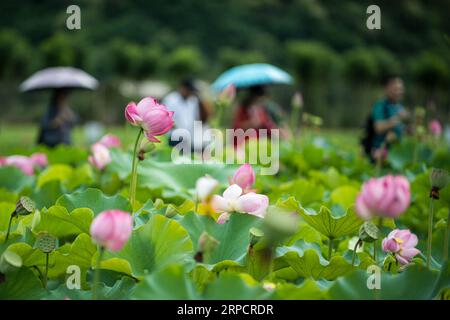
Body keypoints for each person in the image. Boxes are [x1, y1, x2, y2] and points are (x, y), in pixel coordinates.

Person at [361, 75, 410, 162]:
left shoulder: (399, 106)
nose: (399, 92)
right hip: (380, 153)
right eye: (395, 89)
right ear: (385, 88)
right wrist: (399, 118)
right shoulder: (380, 105)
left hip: (397, 154)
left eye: (400, 89)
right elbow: (379, 127)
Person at [163, 78, 210, 150]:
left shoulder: (193, 100)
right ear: (182, 87)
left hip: (188, 138)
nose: (189, 92)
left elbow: (200, 118)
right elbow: (166, 119)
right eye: (188, 90)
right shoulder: (171, 99)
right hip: (174, 137)